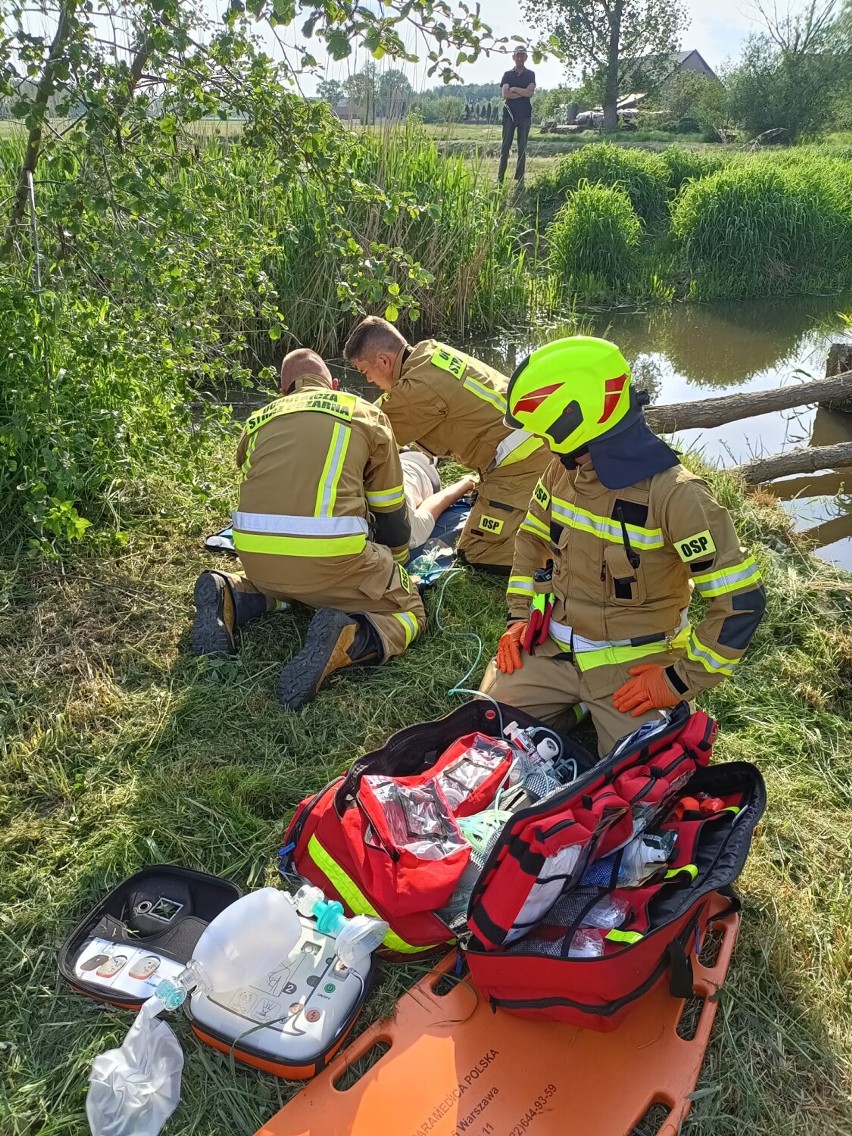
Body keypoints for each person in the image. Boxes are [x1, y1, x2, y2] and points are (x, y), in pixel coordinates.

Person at [480, 336, 766, 756]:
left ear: (578, 422)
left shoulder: (677, 496)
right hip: (553, 647)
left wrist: (675, 682)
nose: (543, 445)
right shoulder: (561, 474)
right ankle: (577, 707)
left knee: (634, 781)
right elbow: (531, 543)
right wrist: (520, 618)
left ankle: (599, 711)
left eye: (546, 433)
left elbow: (741, 602)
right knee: (485, 724)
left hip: (633, 669)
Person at [190, 348, 426, 710]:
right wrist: (396, 565)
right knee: (411, 611)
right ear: (332, 385)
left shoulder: (257, 421)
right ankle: (349, 639)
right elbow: (390, 510)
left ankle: (232, 592)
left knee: (289, 590)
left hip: (258, 562)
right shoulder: (364, 412)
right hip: (334, 563)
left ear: (283, 392)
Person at [343, 316, 551, 573]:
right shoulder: (428, 353)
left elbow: (365, 434)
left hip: (524, 464)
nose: (369, 382)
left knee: (477, 549)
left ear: (384, 361)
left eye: (366, 372)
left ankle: (565, 553)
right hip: (535, 445)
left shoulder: (416, 391)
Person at [400, 448, 475, 548]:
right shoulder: (407, 534)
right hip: (406, 465)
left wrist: (467, 483)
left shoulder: (406, 534)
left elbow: (440, 500)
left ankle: (432, 455)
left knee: (430, 457)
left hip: (418, 467)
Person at [498, 47, 536, 186]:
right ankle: (500, 179)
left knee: (522, 148)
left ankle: (520, 179)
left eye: (522, 56)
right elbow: (505, 94)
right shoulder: (507, 74)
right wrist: (522, 92)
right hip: (509, 115)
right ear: (513, 57)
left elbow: (530, 93)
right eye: (517, 56)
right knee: (505, 147)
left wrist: (514, 89)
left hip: (525, 115)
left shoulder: (531, 74)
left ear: (526, 58)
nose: (520, 58)